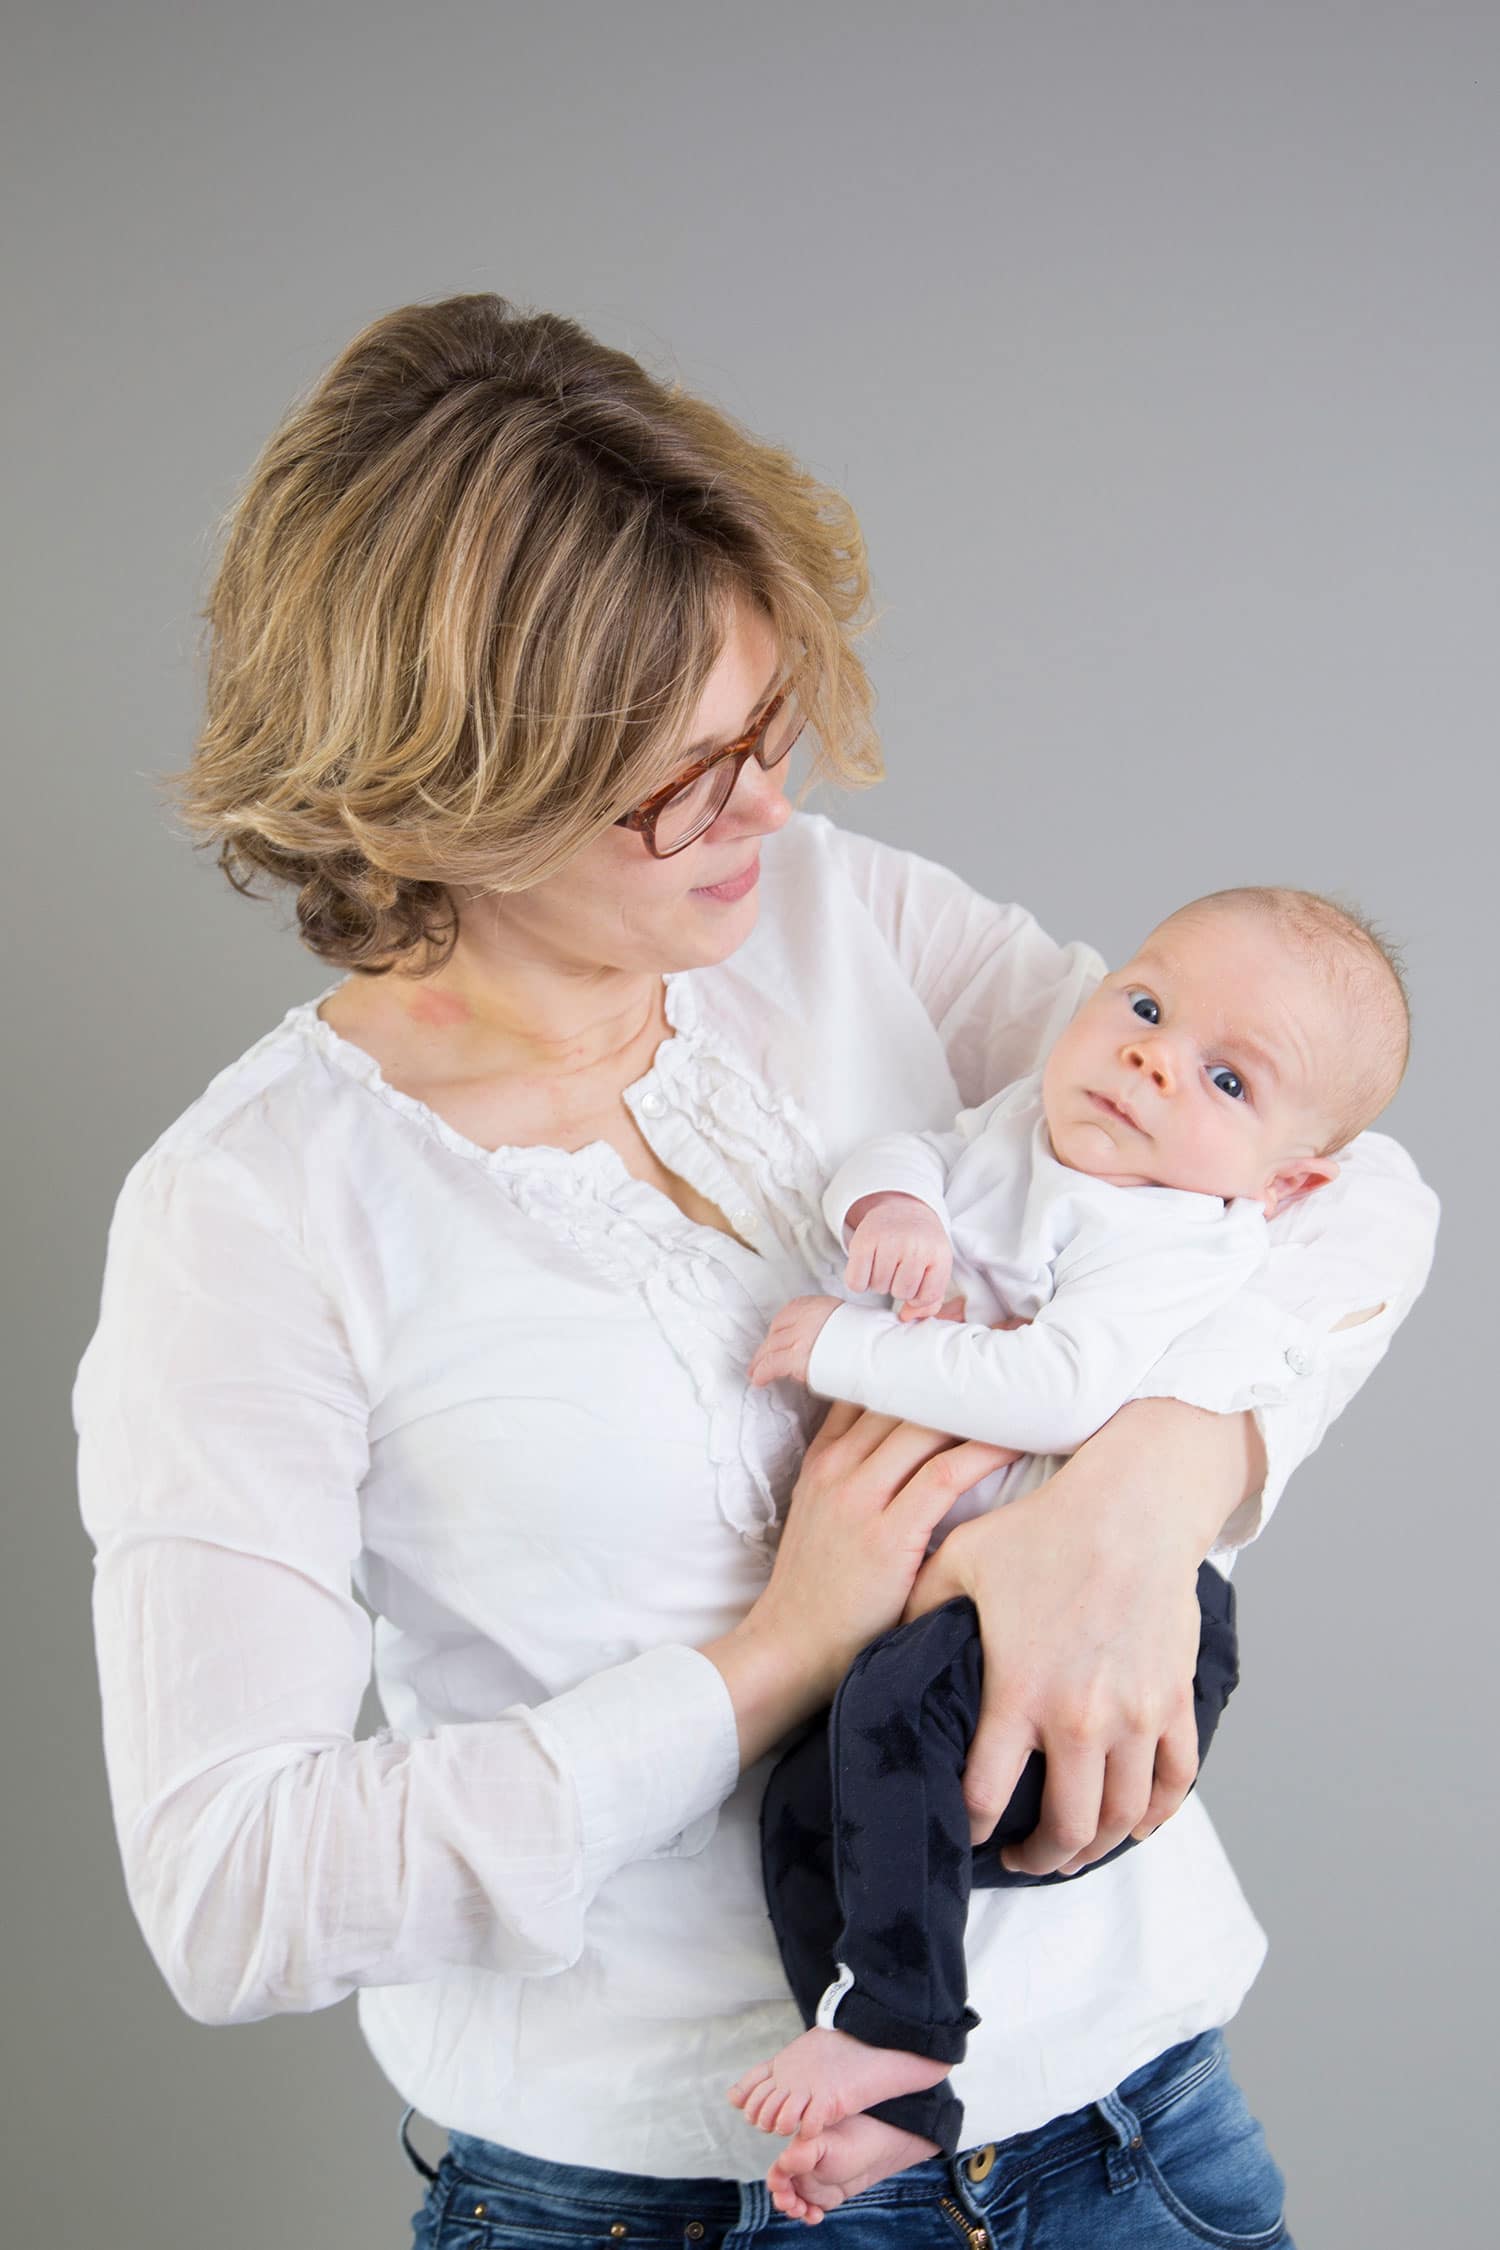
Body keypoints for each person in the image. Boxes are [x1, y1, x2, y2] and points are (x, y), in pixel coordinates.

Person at [72, 293, 1437, 2247]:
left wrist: (1132, 1507)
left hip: (1139, 2136)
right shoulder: (258, 1211)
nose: (772, 812)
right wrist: (772, 1658)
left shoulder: (833, 918)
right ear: (447, 776)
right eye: (682, 778)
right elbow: (233, 1891)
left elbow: (1347, 1184)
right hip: (654, 2202)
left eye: (770, 729)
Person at [731, 888, 1410, 2213]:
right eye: (1146, 1006)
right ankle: (902, 2084)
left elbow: (1053, 1389)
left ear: (1289, 1180)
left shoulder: (1176, 1230)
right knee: (813, 1807)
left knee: (881, 1742)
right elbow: (910, 1148)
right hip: (984, 1619)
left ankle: (904, 2034)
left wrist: (844, 1342)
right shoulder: (1036, 1136)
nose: (1154, 1056)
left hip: (1134, 1633)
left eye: (1226, 1075)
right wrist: (900, 1206)